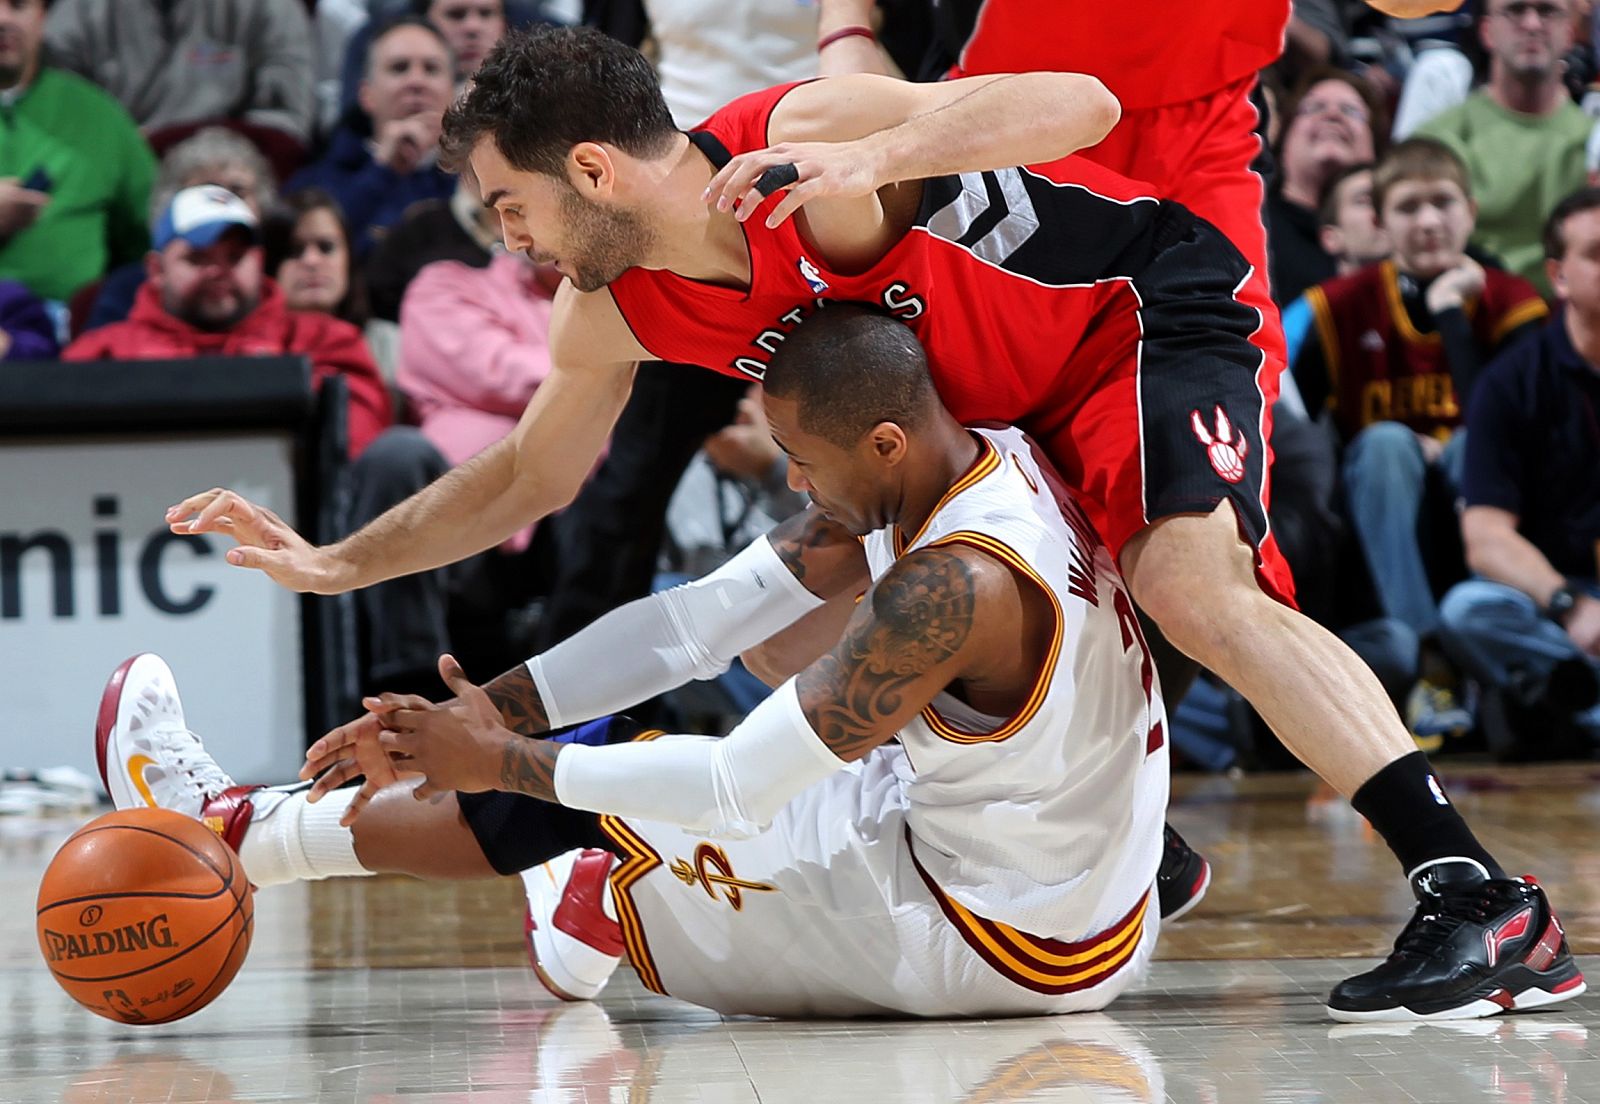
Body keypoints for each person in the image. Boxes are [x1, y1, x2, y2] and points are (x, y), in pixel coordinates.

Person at [166, 26, 1575, 1022]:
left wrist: (888, 148)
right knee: (811, 624)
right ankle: (1134, 850)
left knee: (1191, 587)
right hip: (979, 426)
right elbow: (530, 480)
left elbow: (1081, 104)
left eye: (510, 207)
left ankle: (1477, 894)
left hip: (1128, 319)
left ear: (594, 171)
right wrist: (335, 559)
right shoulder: (617, 303)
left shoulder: (794, 136)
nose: (509, 243)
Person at [101, 306, 1173, 1018]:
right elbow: (691, 623)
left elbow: (733, 781)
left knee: (617, 790)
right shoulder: (979, 456)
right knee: (653, 732)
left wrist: (504, 761)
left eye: (801, 462)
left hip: (997, 936)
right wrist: (492, 710)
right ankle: (582, 901)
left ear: (882, 441)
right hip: (1070, 871)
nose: (794, 486)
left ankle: (247, 833)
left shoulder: (947, 591)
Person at [1291, 138, 1549, 741]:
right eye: (1408, 208)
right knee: (1384, 443)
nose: (1429, 221)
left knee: (1469, 446)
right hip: (1378, 510)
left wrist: (1451, 315)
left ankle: (1478, 641)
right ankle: (1430, 656)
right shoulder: (1335, 308)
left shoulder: (1513, 301)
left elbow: (1513, 427)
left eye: (1443, 203)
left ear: (1471, 212)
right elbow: (1294, 424)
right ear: (1380, 221)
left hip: (1492, 505)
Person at [1438, 186, 1600, 757]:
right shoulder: (1512, 381)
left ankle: (1575, 711)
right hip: (1556, 602)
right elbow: (1486, 539)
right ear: (1557, 276)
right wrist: (1570, 607)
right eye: (1598, 254)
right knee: (1469, 610)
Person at [63, 185, 392, 460]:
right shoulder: (102, 352)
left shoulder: (325, 340)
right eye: (198, 257)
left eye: (235, 257)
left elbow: (354, 450)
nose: (219, 270)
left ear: (259, 261)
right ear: (156, 270)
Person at [1417, 0, 1592, 295]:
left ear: (1570, 33)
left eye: (1547, 11)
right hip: (1476, 316)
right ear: (1486, 31)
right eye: (1515, 10)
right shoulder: (1439, 140)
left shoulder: (1594, 142)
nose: (1532, 24)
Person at [0, 0, 154, 304]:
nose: (2, 18)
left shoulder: (98, 114)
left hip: (72, 328)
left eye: (17, 4)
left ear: (42, 16)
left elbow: (152, 233)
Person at [289, 16, 457, 256]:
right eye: (399, 68)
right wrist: (381, 172)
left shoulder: (477, 176)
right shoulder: (319, 181)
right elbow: (317, 253)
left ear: (452, 91)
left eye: (431, 68)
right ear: (366, 95)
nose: (416, 81)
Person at [85, 126, 281, 333]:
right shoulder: (125, 294)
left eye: (237, 191)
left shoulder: (289, 285)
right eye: (206, 192)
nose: (224, 203)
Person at [43, 0, 316, 146]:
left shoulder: (269, 7)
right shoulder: (82, 10)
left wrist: (202, 149)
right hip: (118, 170)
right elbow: (54, 110)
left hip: (230, 174)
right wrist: (123, 150)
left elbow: (288, 123)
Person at [1266, 68, 1388, 305]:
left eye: (1350, 110)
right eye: (1314, 108)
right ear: (1284, 139)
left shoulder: (1395, 230)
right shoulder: (1253, 221)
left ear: (1375, 145)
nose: (1332, 115)